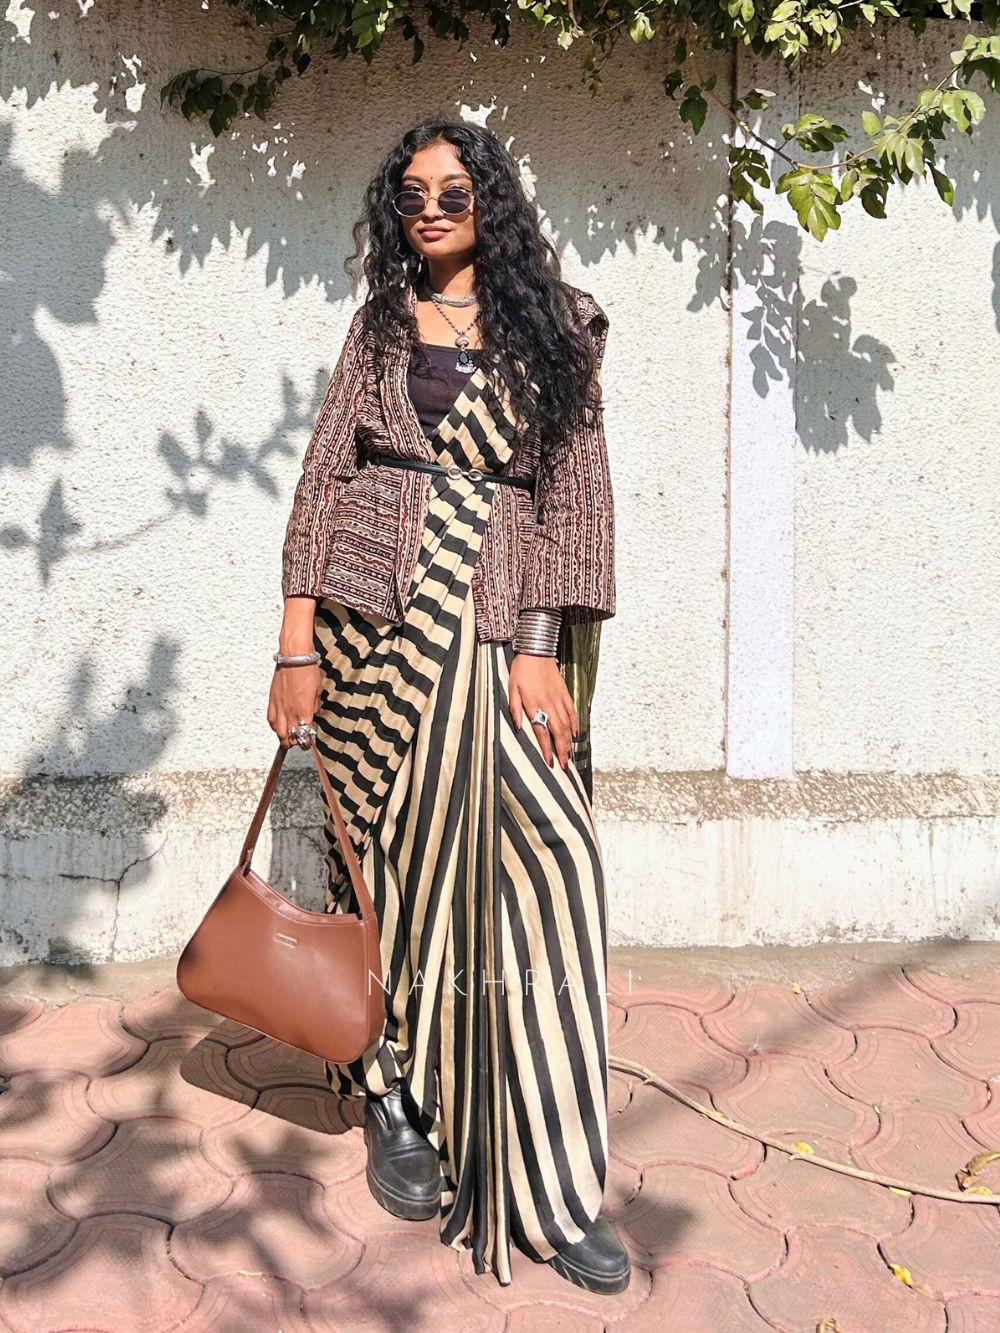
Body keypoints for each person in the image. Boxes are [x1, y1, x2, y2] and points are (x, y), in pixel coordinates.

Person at [268, 116, 626, 1294]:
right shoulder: (378, 325)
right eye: (412, 195)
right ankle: (393, 1094)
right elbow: (325, 479)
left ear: (492, 204)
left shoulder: (559, 324)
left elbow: (572, 496)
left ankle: (550, 1176)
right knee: (384, 870)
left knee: (547, 876)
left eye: (453, 192)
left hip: (489, 628)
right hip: (366, 628)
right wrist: (295, 644)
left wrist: (538, 647)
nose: (430, 210)